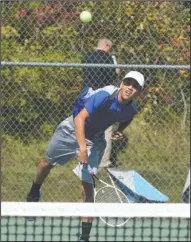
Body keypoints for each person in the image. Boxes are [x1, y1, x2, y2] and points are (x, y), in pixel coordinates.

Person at [26, 71, 145, 242]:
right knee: (46, 165)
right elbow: (80, 118)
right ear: (122, 83)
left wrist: (120, 130)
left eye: (135, 86)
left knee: (87, 189)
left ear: (139, 92)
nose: (130, 88)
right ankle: (33, 193)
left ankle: (85, 237)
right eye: (128, 82)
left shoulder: (132, 109)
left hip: (94, 139)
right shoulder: (105, 95)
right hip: (71, 129)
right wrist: (82, 149)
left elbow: (127, 117)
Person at [82, 38, 120, 168]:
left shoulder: (87, 57)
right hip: (104, 95)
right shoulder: (108, 59)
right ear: (107, 46)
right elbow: (114, 75)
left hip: (88, 95)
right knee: (106, 129)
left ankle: (85, 156)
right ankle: (104, 161)